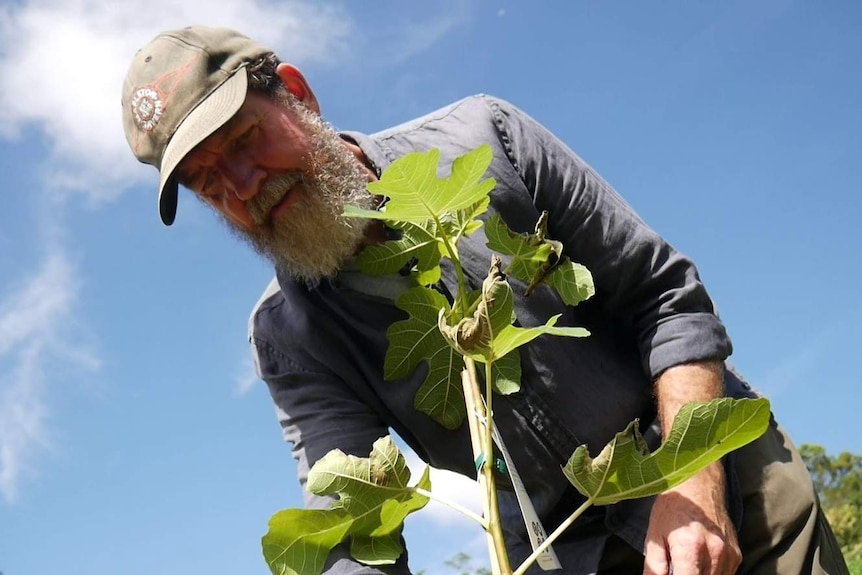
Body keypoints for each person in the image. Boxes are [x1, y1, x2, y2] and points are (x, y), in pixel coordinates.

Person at [121, 26, 848, 575]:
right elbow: (350, 524)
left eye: (246, 140)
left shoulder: (486, 139)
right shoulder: (289, 337)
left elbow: (667, 299)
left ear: (297, 93)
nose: (244, 184)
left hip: (723, 478)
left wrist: (692, 484)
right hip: (567, 555)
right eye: (210, 183)